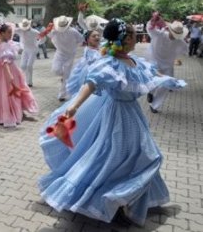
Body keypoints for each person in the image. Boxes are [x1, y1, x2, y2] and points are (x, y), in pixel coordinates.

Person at [38, 18, 186, 226]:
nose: (137, 37)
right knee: (127, 158)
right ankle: (113, 201)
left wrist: (170, 80)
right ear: (125, 40)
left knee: (136, 157)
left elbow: (152, 72)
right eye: (134, 35)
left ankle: (130, 199)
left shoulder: (134, 60)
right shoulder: (109, 63)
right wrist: (74, 106)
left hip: (133, 115)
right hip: (116, 117)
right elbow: (91, 83)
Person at [146, 13, 188, 113]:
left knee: (166, 85)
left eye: (177, 35)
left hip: (167, 66)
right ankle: (150, 92)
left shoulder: (180, 42)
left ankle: (154, 105)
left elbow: (185, 50)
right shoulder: (159, 35)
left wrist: (179, 59)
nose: (174, 36)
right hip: (154, 62)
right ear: (169, 29)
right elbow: (150, 28)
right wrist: (153, 20)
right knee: (153, 81)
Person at [45, 15, 84, 101]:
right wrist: (49, 28)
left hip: (70, 55)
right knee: (55, 70)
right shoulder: (55, 31)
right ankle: (64, 76)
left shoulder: (74, 31)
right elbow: (47, 35)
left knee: (67, 75)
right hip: (59, 53)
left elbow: (81, 40)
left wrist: (75, 46)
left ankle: (62, 95)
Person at [65, 29, 102, 96]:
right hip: (89, 72)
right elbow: (94, 60)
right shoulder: (89, 50)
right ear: (88, 40)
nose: (97, 37)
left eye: (98, 36)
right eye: (94, 36)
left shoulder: (99, 47)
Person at [14, 19, 40, 87]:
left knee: (29, 65)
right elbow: (12, 30)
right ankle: (23, 81)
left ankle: (29, 82)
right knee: (22, 66)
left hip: (33, 49)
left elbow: (42, 38)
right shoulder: (20, 30)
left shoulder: (35, 32)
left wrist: (37, 44)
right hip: (25, 49)